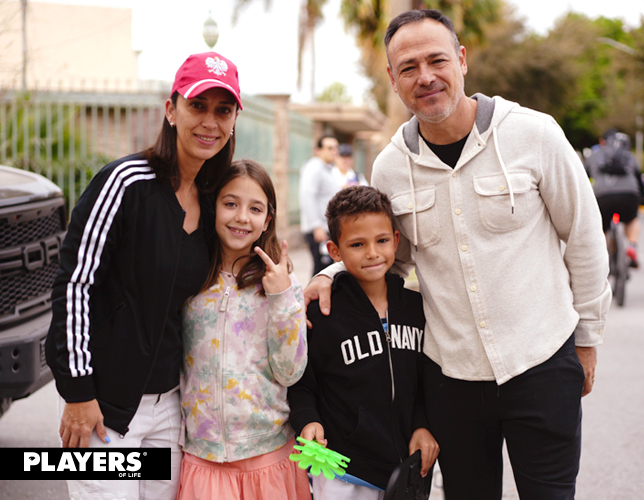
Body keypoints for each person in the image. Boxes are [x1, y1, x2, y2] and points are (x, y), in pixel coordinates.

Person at [305, 9, 611, 500]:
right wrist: (333, 272)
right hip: (452, 378)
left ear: (461, 60)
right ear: (392, 78)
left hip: (541, 360)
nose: (425, 77)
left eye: (436, 60)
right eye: (408, 67)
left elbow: (584, 237)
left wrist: (588, 339)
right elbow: (390, 257)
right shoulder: (389, 169)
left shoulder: (534, 134)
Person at [45, 51, 242, 500]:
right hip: (103, 404)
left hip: (169, 408)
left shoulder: (216, 199)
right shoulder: (126, 182)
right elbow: (75, 283)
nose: (209, 121)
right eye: (198, 106)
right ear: (171, 110)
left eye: (222, 110)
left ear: (233, 122)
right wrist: (76, 391)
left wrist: (323, 278)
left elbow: (250, 269)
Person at [289, 185, 439, 500]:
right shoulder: (322, 314)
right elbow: (301, 381)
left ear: (396, 241)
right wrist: (308, 421)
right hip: (342, 472)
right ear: (335, 251)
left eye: (382, 241)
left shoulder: (415, 309)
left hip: (403, 473)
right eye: (357, 244)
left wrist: (423, 425)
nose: (372, 253)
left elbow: (427, 383)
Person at [177, 159, 310, 500]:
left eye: (255, 208)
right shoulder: (191, 278)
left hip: (268, 457)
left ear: (268, 219)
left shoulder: (281, 285)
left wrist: (282, 298)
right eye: (230, 203)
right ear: (214, 207)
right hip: (203, 458)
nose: (241, 217)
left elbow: (291, 371)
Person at [585, 129, 644, 267]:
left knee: (601, 227)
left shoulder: (594, 155)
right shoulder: (629, 156)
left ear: (602, 141)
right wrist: (643, 200)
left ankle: (602, 255)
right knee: (632, 219)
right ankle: (632, 245)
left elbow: (582, 178)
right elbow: (639, 180)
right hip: (629, 196)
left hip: (602, 197)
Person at [299, 134, 341, 277]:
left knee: (325, 268)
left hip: (325, 228)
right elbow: (307, 196)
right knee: (322, 270)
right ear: (318, 150)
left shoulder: (327, 169)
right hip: (318, 230)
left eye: (336, 148)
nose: (334, 151)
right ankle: (312, 299)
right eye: (329, 148)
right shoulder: (314, 168)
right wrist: (317, 226)